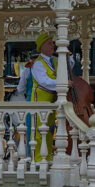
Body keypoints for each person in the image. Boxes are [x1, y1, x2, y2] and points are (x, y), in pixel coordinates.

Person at [25, 33, 57, 161]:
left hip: (51, 101)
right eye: (49, 43)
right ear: (42, 46)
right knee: (39, 131)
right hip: (40, 101)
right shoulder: (38, 64)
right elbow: (44, 81)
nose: (52, 46)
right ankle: (38, 159)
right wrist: (62, 83)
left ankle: (47, 157)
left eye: (52, 43)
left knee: (49, 131)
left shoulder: (54, 61)